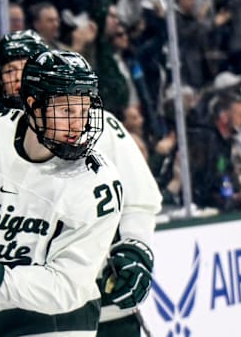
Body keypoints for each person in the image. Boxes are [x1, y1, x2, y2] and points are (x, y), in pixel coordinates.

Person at [0, 50, 123, 336]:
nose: (78, 124)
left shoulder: (98, 182)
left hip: (51, 320)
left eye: (84, 111)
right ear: (34, 105)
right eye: (66, 111)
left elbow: (68, 285)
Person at [95, 111, 161, 337]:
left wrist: (134, 250)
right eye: (8, 71)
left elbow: (140, 201)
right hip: (34, 315)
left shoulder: (100, 123)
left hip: (108, 309)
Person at [0, 29, 48, 110]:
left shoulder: (65, 117)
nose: (19, 77)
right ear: (0, 80)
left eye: (27, 68)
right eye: (10, 71)